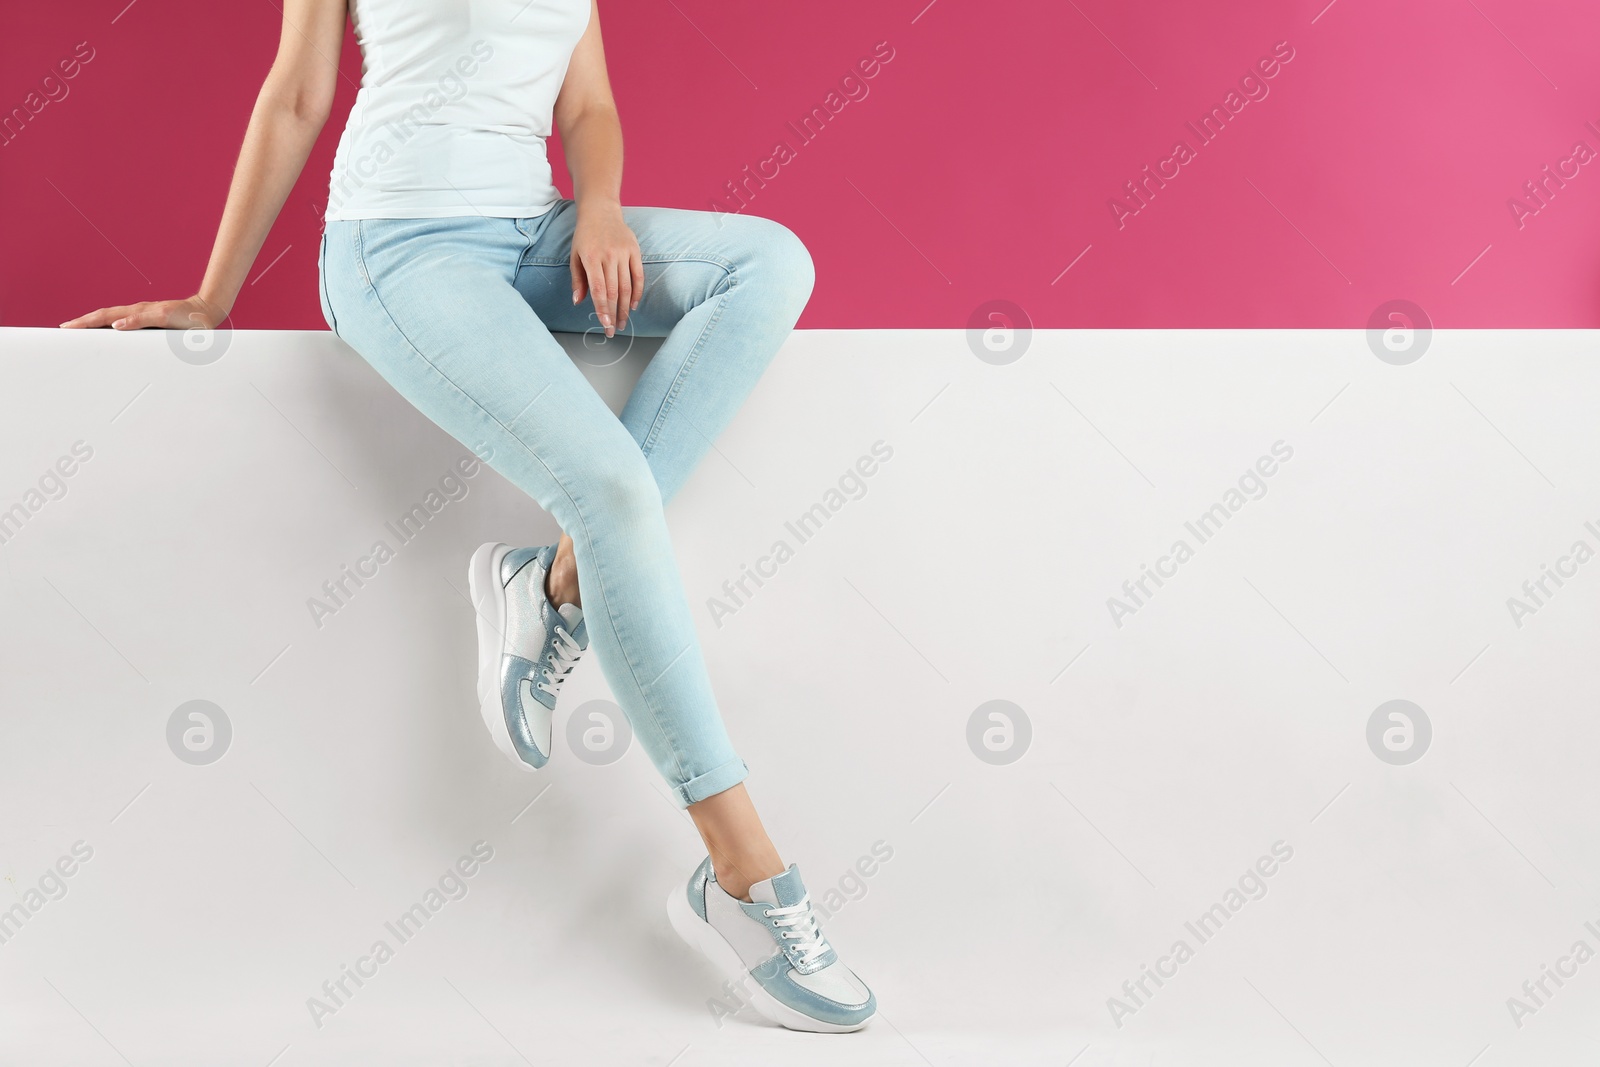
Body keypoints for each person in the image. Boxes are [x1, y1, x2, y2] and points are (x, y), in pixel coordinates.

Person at [61, 0, 875, 1033]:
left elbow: (587, 102)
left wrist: (601, 207)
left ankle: (559, 583)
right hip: (398, 250)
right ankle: (743, 869)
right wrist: (213, 297)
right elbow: (297, 94)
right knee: (612, 484)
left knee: (771, 263)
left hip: (532, 233)